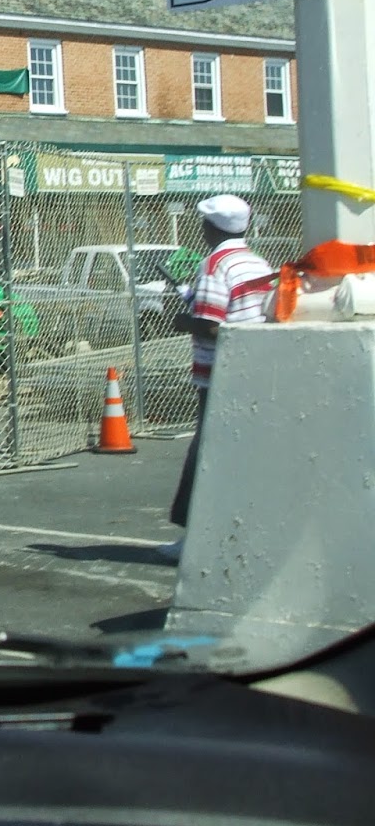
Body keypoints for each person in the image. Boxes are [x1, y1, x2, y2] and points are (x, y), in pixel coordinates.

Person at [161, 194, 273, 560]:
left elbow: (211, 326)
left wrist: (183, 320)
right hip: (252, 369)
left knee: (205, 453)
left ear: (210, 228)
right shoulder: (256, 262)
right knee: (241, 453)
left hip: (217, 374)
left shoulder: (214, 265)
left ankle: (193, 536)